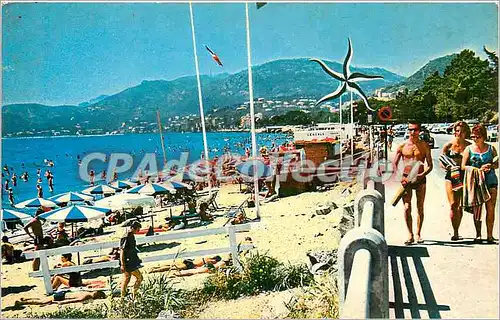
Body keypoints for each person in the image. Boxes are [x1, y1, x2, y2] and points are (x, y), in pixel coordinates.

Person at [393, 121, 433, 245]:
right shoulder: (403, 146)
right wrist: (400, 177)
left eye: (415, 130)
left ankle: (418, 234)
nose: (412, 132)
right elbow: (394, 164)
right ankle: (410, 234)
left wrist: (422, 174)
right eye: (410, 129)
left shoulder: (424, 145)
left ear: (419, 131)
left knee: (420, 207)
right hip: (406, 179)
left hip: (420, 179)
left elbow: (430, 165)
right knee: (407, 207)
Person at [461, 124, 498, 244]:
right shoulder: (469, 149)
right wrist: (476, 169)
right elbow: (463, 166)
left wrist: (491, 165)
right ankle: (478, 234)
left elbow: (497, 163)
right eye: (473, 137)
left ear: (483, 137)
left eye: (477, 137)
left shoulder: (491, 149)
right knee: (477, 208)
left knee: (490, 208)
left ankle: (490, 235)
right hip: (476, 181)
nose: (475, 139)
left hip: (490, 180)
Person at [440, 121, 471, 241]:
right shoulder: (449, 145)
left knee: (460, 205)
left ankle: (457, 229)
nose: (459, 133)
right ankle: (455, 232)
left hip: (464, 175)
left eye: (462, 131)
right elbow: (442, 161)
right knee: (453, 204)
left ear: (466, 132)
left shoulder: (469, 146)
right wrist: (447, 167)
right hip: (451, 175)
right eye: (457, 131)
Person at [120, 221, 143, 298]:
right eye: (138, 230)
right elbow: (122, 251)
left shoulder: (131, 235)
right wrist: (123, 264)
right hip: (128, 261)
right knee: (139, 277)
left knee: (127, 278)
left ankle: (123, 296)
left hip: (130, 260)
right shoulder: (127, 236)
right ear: (133, 228)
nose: (138, 231)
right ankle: (134, 294)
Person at [148, 255, 228, 274]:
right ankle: (155, 270)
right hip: (190, 265)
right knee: (173, 268)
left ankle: (154, 268)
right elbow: (206, 265)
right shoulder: (211, 261)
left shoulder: (206, 257)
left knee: (170, 265)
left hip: (189, 261)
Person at [14, 290, 106, 307]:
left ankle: (25, 299)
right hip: (62, 297)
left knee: (44, 299)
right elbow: (75, 300)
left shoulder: (88, 292)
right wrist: (61, 303)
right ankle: (21, 303)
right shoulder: (88, 296)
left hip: (63, 294)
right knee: (43, 302)